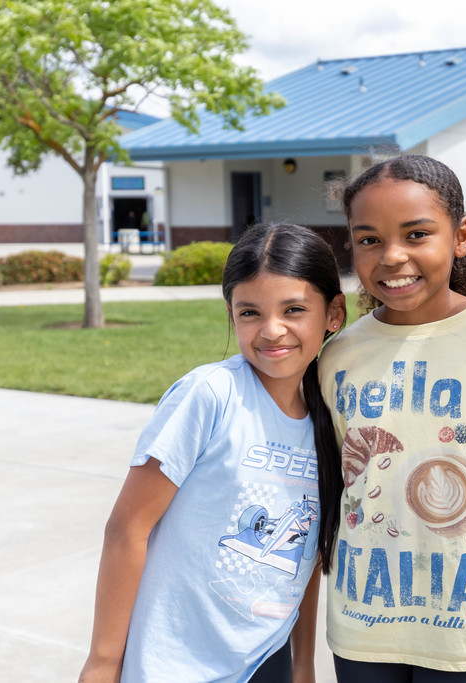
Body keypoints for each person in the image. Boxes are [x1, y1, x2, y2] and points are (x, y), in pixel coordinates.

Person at [317, 155, 466, 682]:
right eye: (369, 239)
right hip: (362, 624)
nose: (392, 256)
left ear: (461, 235)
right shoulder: (338, 355)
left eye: (416, 233)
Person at [78, 223, 346, 683]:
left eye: (294, 309)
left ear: (333, 314)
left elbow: (305, 558)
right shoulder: (210, 394)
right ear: (230, 314)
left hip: (267, 662)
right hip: (176, 664)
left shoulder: (333, 416)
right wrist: (103, 663)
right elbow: (127, 530)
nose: (271, 330)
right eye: (249, 313)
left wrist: (303, 665)